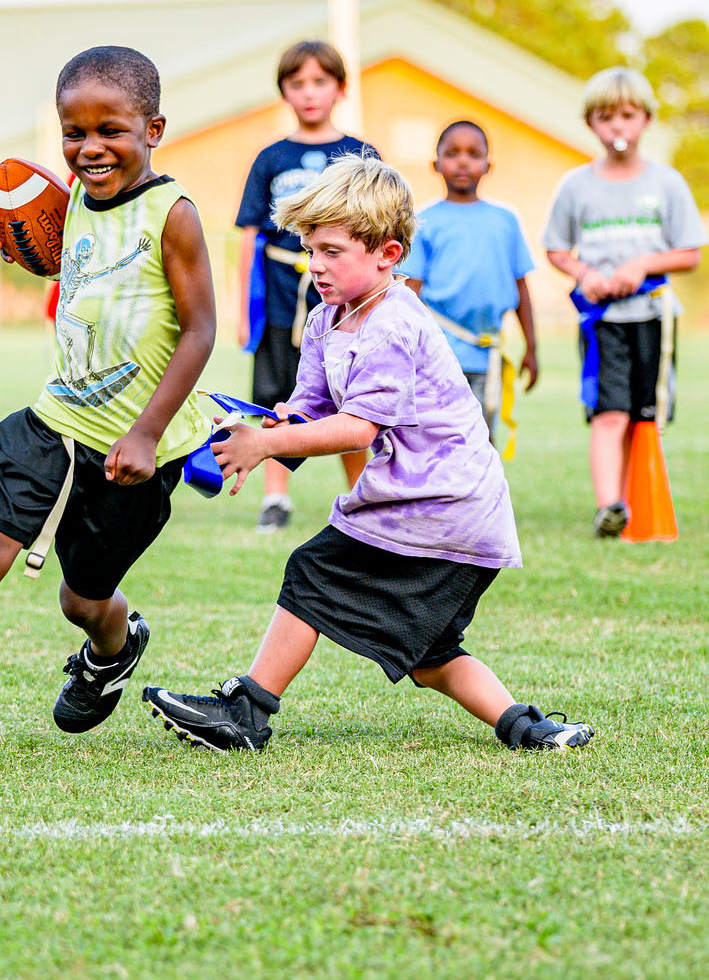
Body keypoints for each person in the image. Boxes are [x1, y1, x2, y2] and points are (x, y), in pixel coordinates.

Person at [144, 156, 593, 756]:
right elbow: (307, 408)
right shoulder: (330, 316)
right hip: (433, 502)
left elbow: (356, 429)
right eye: (310, 249)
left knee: (311, 570)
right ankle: (530, 729)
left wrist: (269, 443)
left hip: (444, 502)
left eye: (333, 251)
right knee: (431, 656)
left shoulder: (393, 324)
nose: (316, 265)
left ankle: (246, 714)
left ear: (387, 253)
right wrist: (243, 426)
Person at [0, 45, 216, 785]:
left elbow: (200, 328)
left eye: (110, 130)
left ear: (154, 128)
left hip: (133, 446)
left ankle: (113, 647)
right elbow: (84, 266)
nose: (89, 148)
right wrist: (41, 253)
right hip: (53, 422)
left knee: (83, 598)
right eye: (72, 132)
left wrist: (147, 430)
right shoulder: (78, 198)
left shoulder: (172, 215)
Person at [543, 68, 704, 537]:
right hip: (603, 322)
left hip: (654, 317)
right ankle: (608, 507)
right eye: (606, 117)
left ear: (647, 120)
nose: (618, 127)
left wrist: (645, 264)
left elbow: (690, 252)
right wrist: (584, 274)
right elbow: (556, 249)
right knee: (608, 411)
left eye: (628, 116)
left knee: (645, 414)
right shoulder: (576, 185)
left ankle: (637, 502)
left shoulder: (668, 183)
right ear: (591, 124)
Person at [235, 40, 378, 532]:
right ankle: (276, 499)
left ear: (340, 87)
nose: (309, 93)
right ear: (284, 92)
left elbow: (380, 231)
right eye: (297, 84)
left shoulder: (361, 154)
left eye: (320, 81)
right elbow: (250, 237)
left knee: (348, 396)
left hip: (345, 301)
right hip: (279, 295)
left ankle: (360, 498)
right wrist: (241, 309)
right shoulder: (271, 157)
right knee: (278, 394)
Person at [401, 121, 538, 449]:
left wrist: (532, 348)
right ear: (436, 164)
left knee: (482, 440)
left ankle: (482, 500)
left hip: (486, 354)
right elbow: (409, 292)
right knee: (437, 438)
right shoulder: (422, 221)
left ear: (488, 165)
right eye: (453, 153)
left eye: (474, 154)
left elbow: (521, 288)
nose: (463, 162)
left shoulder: (505, 221)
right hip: (436, 355)